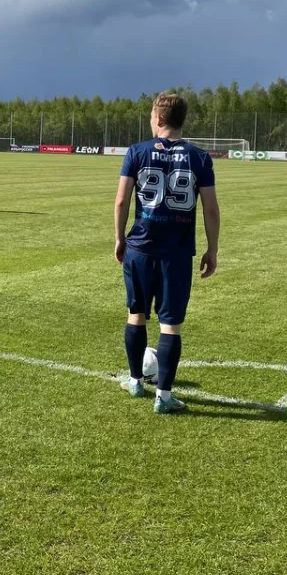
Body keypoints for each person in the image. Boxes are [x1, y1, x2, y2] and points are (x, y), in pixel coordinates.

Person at [114, 93, 220, 415]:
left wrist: (119, 238)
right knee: (170, 325)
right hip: (176, 253)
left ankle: (135, 382)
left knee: (137, 315)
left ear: (158, 118)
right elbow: (211, 209)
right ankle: (163, 395)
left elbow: (121, 201)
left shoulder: (137, 152)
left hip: (140, 248)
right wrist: (212, 249)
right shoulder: (200, 158)